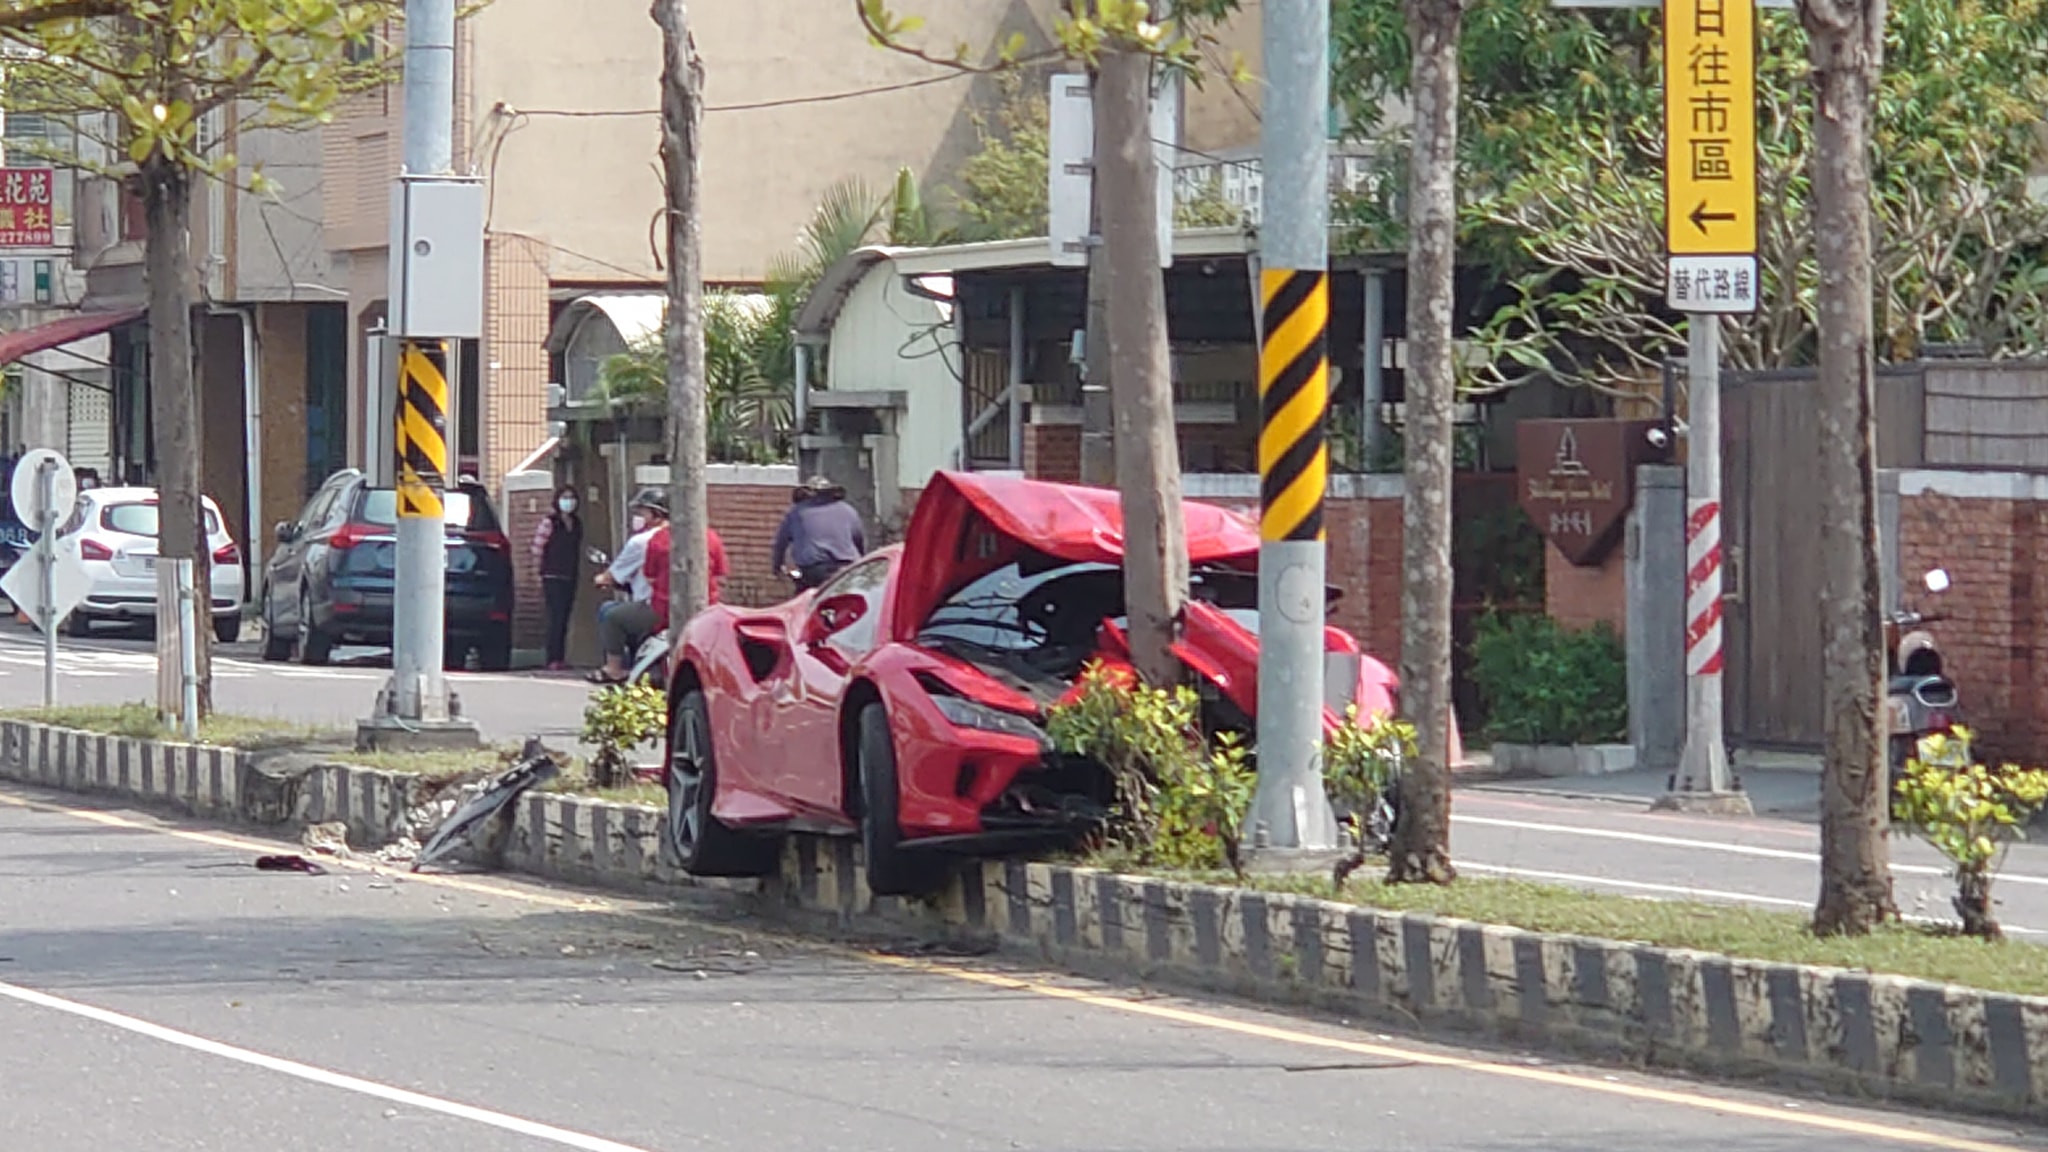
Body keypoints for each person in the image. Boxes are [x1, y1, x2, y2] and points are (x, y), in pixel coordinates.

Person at [589, 488, 667, 684]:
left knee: (611, 614)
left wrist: (601, 579)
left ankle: (613, 668)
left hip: (655, 605)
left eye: (643, 512)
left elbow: (613, 576)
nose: (639, 517)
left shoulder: (643, 542)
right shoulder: (687, 536)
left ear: (656, 514)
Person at [772, 475, 867, 591]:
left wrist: (777, 567)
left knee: (807, 601)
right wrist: (862, 564)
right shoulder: (849, 510)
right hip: (848, 569)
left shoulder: (797, 512)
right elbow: (859, 541)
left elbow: (780, 543)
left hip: (814, 571)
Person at [530, 484, 583, 671]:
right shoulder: (550, 522)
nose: (568, 502)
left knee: (565, 616)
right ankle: (552, 657)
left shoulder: (576, 523)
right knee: (556, 616)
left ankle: (560, 657)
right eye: (564, 497)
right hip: (551, 574)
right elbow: (537, 548)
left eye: (572, 497)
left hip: (569, 574)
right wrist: (538, 572)